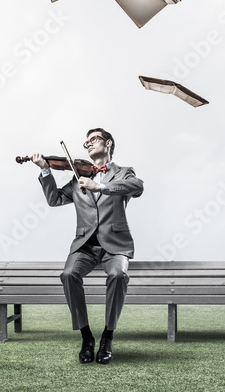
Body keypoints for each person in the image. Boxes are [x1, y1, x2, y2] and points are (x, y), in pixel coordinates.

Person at [30, 128, 143, 364]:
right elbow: (54, 200)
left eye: (93, 139)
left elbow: (137, 186)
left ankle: (108, 337)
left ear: (108, 143)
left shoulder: (123, 172)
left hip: (115, 244)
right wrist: (45, 169)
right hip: (85, 244)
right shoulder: (77, 178)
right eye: (86, 142)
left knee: (119, 275)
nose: (88, 143)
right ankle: (86, 337)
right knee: (68, 274)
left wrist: (99, 187)